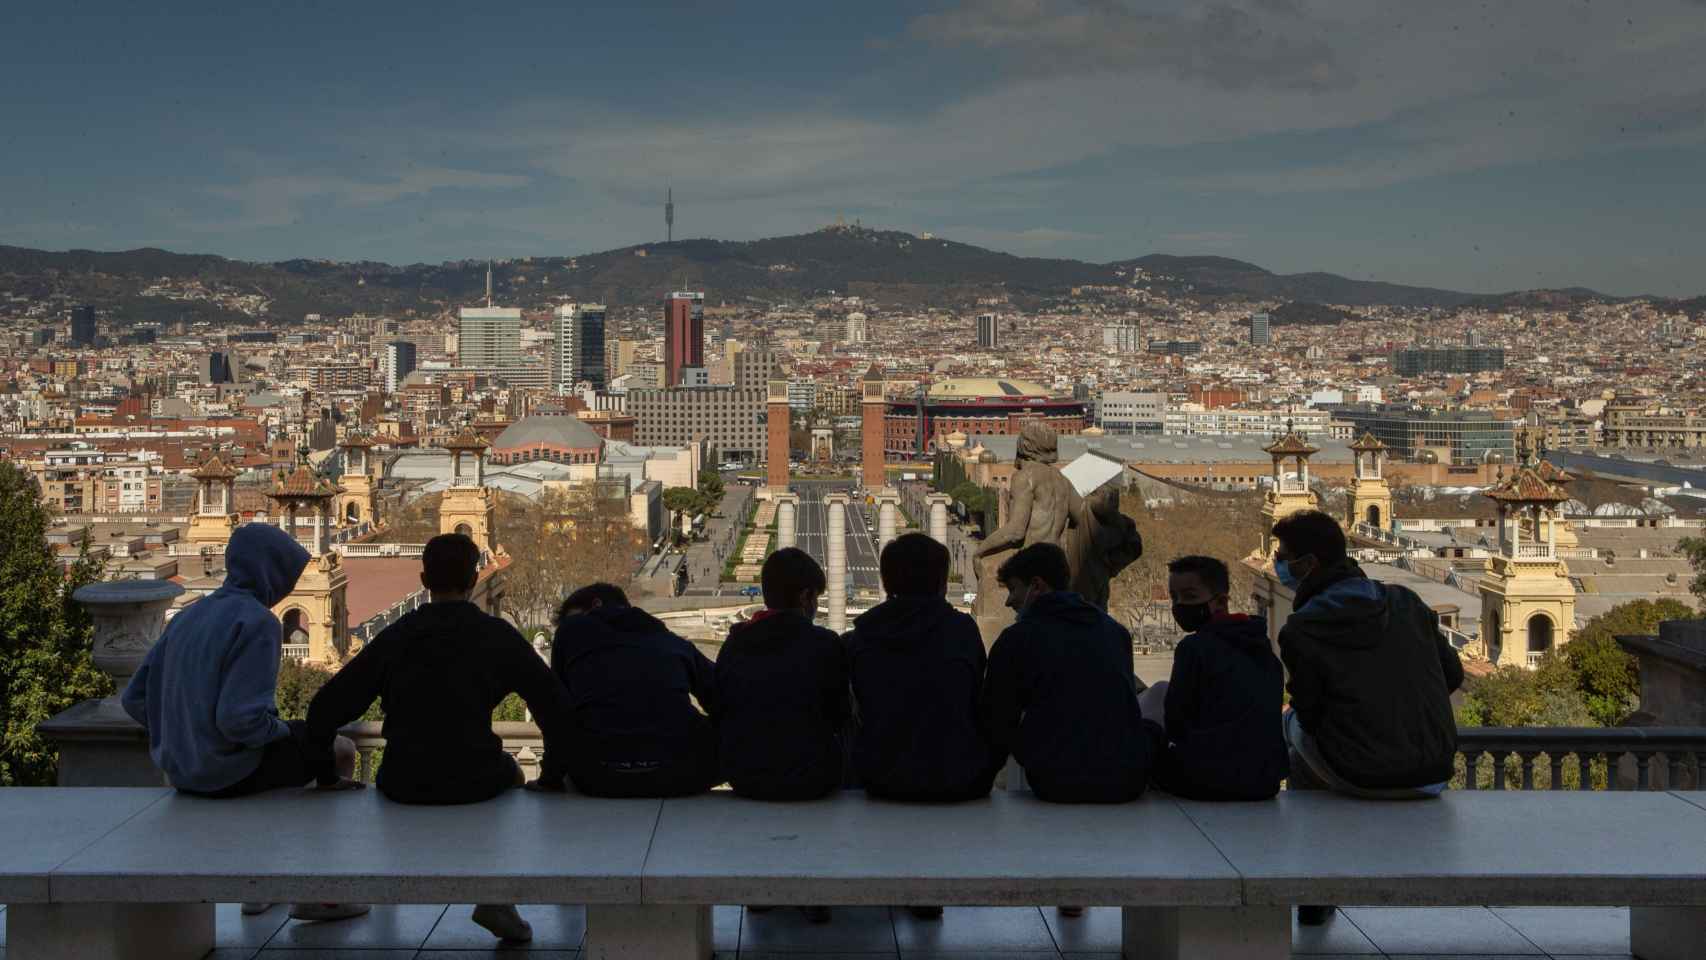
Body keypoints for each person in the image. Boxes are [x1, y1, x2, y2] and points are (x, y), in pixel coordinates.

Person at [304, 533, 575, 942]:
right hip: (478, 777)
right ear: (472, 581)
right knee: (515, 777)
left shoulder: (397, 637)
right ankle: (496, 899)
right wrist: (551, 777)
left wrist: (326, 777)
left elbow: (324, 710)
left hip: (403, 779)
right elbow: (555, 709)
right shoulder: (494, 635)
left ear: (423, 578)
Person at [120, 522, 367, 924]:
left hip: (180, 769)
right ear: (271, 573)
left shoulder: (188, 615)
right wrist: (283, 731)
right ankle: (323, 894)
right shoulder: (257, 622)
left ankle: (261, 889)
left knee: (294, 748)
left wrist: (184, 730)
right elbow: (240, 721)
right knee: (337, 751)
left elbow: (134, 698)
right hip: (226, 770)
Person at [1271, 510, 1464, 926]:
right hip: (1433, 768)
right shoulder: (1406, 603)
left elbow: (1311, 711)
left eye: (1284, 556)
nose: (1279, 564)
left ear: (1309, 565)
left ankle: (1315, 884)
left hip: (1360, 773)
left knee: (1289, 727)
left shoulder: (1302, 630)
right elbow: (1453, 675)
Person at [846, 532, 999, 921]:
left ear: (885, 582)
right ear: (942, 581)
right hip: (962, 777)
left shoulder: (861, 636)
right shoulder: (962, 631)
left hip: (880, 776)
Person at [715, 547, 848, 924]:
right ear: (806, 597)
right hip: (813, 778)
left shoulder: (736, 642)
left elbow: (720, 703)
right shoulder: (825, 645)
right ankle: (814, 891)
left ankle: (761, 889)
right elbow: (840, 716)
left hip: (744, 775)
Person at [983, 542, 1160, 804]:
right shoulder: (1115, 632)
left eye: (1013, 589)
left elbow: (996, 719)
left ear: (1037, 585)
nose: (1009, 600)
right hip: (1127, 780)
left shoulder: (1017, 639)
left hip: (1056, 780)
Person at [548, 582, 720, 797]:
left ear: (596, 604)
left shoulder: (571, 630)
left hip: (597, 777)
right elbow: (722, 699)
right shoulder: (674, 643)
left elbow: (554, 706)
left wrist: (550, 778)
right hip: (680, 775)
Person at [1150, 556, 1287, 801]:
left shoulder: (1194, 648)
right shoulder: (1262, 648)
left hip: (1206, 780)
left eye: (1189, 596)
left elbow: (1176, 723)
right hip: (1264, 781)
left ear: (1221, 601)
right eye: (1174, 597)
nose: (1179, 605)